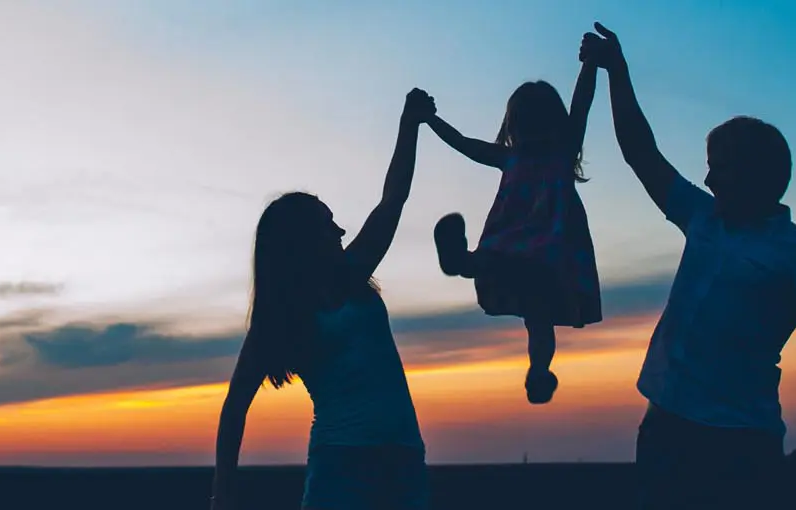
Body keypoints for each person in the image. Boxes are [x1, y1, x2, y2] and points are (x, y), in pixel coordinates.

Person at [580, 23, 796, 509]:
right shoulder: (702, 217)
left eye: (721, 167)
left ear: (759, 175)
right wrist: (616, 71)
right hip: (663, 425)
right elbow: (640, 152)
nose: (707, 179)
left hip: (739, 443)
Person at [211, 88, 436, 510]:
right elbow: (235, 406)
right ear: (303, 241)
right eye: (329, 224)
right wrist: (222, 495)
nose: (341, 232)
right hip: (343, 469)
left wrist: (410, 123)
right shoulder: (280, 318)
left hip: (404, 460)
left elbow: (393, 200)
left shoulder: (352, 275)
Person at [425, 61, 605, 405]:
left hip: (530, 250)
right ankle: (538, 370)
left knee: (529, 306)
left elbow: (581, 103)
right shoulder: (531, 157)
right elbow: (465, 144)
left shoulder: (542, 155)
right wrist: (430, 119)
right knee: (537, 317)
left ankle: (464, 263)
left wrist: (591, 66)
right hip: (534, 254)